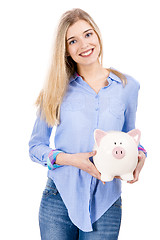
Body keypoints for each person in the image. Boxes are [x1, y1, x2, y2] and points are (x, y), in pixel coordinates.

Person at [29, 8, 147, 240]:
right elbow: (36, 147)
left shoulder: (128, 87)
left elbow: (129, 136)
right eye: (73, 41)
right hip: (58, 199)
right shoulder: (55, 90)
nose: (83, 45)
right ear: (66, 50)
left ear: (98, 36)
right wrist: (71, 160)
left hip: (106, 202)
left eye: (88, 34)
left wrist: (140, 155)